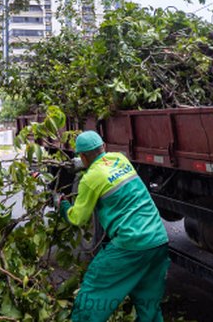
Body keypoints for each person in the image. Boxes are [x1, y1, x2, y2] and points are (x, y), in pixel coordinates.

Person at [60, 131, 170, 322]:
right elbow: (103, 166)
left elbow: (78, 218)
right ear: (103, 146)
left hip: (131, 244)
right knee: (148, 306)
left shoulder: (90, 179)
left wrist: (62, 205)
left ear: (82, 156)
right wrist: (86, 165)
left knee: (94, 291)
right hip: (158, 239)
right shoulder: (120, 159)